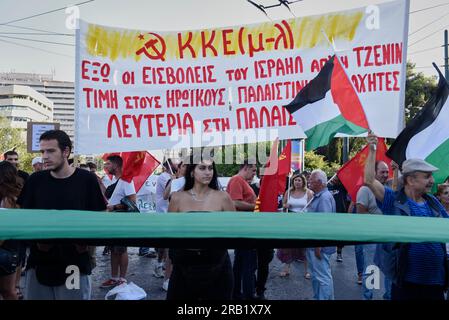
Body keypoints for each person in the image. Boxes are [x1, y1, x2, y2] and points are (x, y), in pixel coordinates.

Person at [17, 130, 106, 300]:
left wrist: (86, 243)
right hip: (39, 263)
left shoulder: (87, 180)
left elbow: (99, 217)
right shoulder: (35, 180)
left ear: (66, 152)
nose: (44, 156)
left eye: (50, 151)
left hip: (74, 264)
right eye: (42, 151)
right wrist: (35, 242)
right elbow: (24, 217)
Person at [364, 133, 449, 300]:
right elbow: (369, 180)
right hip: (407, 284)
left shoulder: (433, 203)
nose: (432, 180)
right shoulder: (393, 200)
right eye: (427, 176)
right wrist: (372, 149)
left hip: (436, 283)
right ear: (410, 180)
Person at [167, 158, 235, 300]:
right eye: (202, 168)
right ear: (192, 172)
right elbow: (171, 234)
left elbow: (232, 229)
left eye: (210, 168)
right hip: (184, 265)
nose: (208, 172)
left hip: (217, 263)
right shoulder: (177, 198)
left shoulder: (223, 197)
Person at [356, 160, 391, 300]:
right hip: (373, 239)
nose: (385, 174)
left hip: (388, 238)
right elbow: (361, 214)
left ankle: (388, 297)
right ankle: (368, 297)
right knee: (373, 271)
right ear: (374, 173)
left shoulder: (388, 190)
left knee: (390, 271)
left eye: (387, 171)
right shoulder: (365, 190)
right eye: (382, 171)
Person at [100, 155, 136, 288]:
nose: (106, 166)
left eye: (108, 164)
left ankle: (122, 279)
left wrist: (115, 207)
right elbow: (110, 196)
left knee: (121, 250)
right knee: (114, 250)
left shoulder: (127, 181)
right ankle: (114, 277)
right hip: (113, 219)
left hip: (122, 219)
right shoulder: (115, 180)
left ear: (116, 165)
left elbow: (132, 201)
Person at [226, 160, 258, 300]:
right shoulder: (236, 180)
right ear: (246, 168)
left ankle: (238, 294)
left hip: (245, 226)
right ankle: (247, 296)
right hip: (243, 227)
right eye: (253, 170)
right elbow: (235, 202)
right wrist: (256, 207)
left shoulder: (241, 181)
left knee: (241, 263)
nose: (254, 173)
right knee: (248, 264)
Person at [306, 169, 336, 300]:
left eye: (311, 181)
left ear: (319, 182)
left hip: (318, 247)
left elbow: (324, 224)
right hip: (315, 246)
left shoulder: (324, 198)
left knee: (322, 277)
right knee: (316, 276)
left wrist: (318, 245)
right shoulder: (320, 196)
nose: (308, 183)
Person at [277, 172, 313, 279]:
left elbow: (312, 207)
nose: (297, 182)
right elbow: (282, 206)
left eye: (299, 180)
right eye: (295, 180)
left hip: (304, 221)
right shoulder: (288, 191)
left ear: (303, 182)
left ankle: (307, 270)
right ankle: (286, 268)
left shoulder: (309, 193)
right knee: (289, 245)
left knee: (304, 246)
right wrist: (285, 205)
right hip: (290, 220)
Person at [0, 161, 23, 300]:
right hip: (12, 248)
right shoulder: (16, 196)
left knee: (8, 290)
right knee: (9, 290)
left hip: (5, 247)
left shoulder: (7, 199)